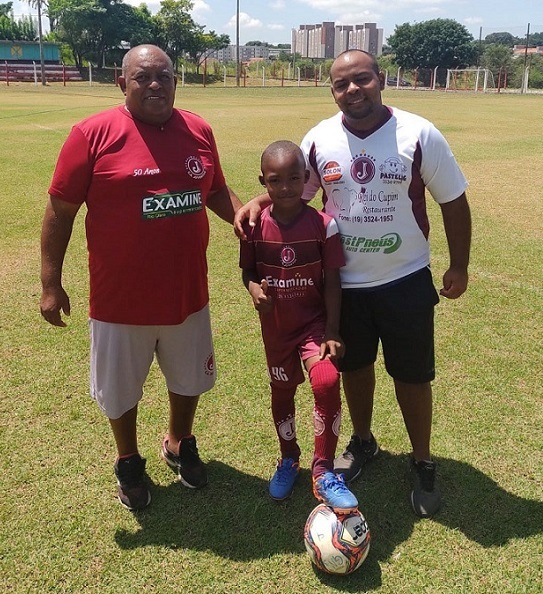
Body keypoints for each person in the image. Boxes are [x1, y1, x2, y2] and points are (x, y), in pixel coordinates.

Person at [234, 50, 472, 518]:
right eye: (342, 84)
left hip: (405, 279)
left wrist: (459, 265)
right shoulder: (320, 139)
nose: (353, 90)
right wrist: (258, 201)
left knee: (412, 374)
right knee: (354, 368)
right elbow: (295, 192)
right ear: (332, 91)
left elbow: (454, 200)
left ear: (380, 79)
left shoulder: (419, 133)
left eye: (362, 79)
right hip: (343, 286)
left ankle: (422, 461)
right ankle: (363, 442)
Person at [40, 44, 242, 511]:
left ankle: (178, 440)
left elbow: (213, 190)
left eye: (164, 76)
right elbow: (60, 211)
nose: (155, 85)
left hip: (187, 292)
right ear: (122, 82)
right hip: (120, 299)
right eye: (143, 77)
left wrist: (249, 218)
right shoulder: (91, 134)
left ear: (176, 80)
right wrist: (51, 283)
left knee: (189, 379)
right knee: (120, 389)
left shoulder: (198, 129)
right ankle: (128, 459)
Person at [239, 140, 358, 512]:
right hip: (276, 329)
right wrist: (253, 288)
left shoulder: (324, 225)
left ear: (307, 178)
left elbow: (334, 280)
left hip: (314, 325)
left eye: (294, 178)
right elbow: (248, 271)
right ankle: (289, 457)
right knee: (282, 392)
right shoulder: (255, 227)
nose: (286, 187)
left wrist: (333, 330)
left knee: (325, 381)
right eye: (276, 181)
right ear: (264, 182)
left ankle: (323, 471)